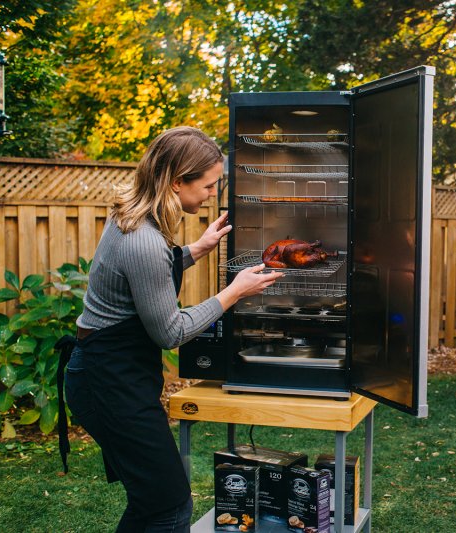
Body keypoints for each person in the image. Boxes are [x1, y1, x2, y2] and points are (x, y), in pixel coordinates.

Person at [58, 126, 284, 532]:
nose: (214, 194)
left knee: (156, 501)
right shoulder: (142, 239)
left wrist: (196, 249)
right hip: (107, 382)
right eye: (210, 185)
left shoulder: (133, 218)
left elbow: (144, 280)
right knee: (167, 505)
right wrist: (234, 293)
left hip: (113, 374)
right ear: (177, 181)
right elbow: (170, 332)